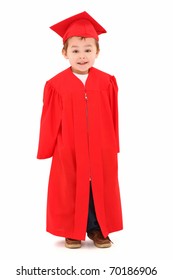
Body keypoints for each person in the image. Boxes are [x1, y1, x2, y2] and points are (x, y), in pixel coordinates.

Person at [37, 11, 123, 249]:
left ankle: (98, 229)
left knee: (100, 186)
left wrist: (112, 144)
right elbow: (49, 119)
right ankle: (71, 230)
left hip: (101, 146)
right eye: (75, 50)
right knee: (70, 186)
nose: (82, 56)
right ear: (65, 53)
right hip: (69, 147)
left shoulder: (107, 82)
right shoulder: (56, 85)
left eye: (88, 50)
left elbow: (114, 115)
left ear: (97, 52)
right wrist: (48, 148)